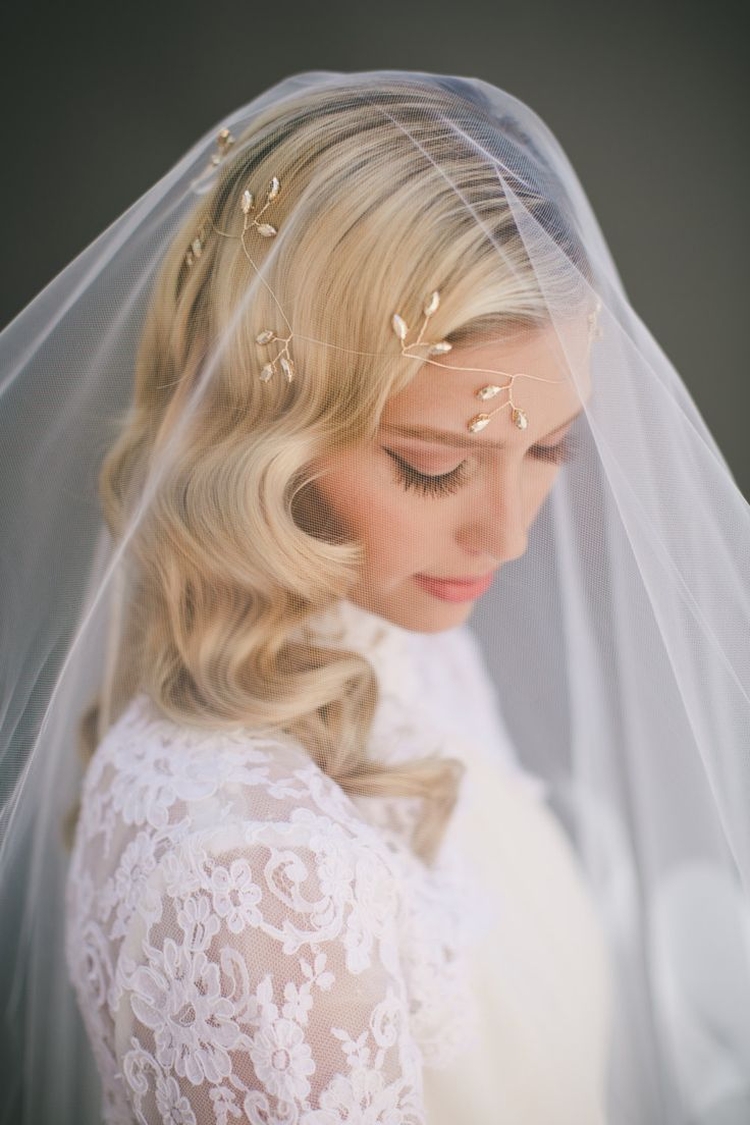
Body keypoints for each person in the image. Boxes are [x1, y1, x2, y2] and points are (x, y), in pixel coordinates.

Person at [1, 70, 749, 1125]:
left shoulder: (392, 630)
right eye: (433, 466)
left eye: (550, 450)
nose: (510, 534)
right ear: (261, 430)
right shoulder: (252, 878)